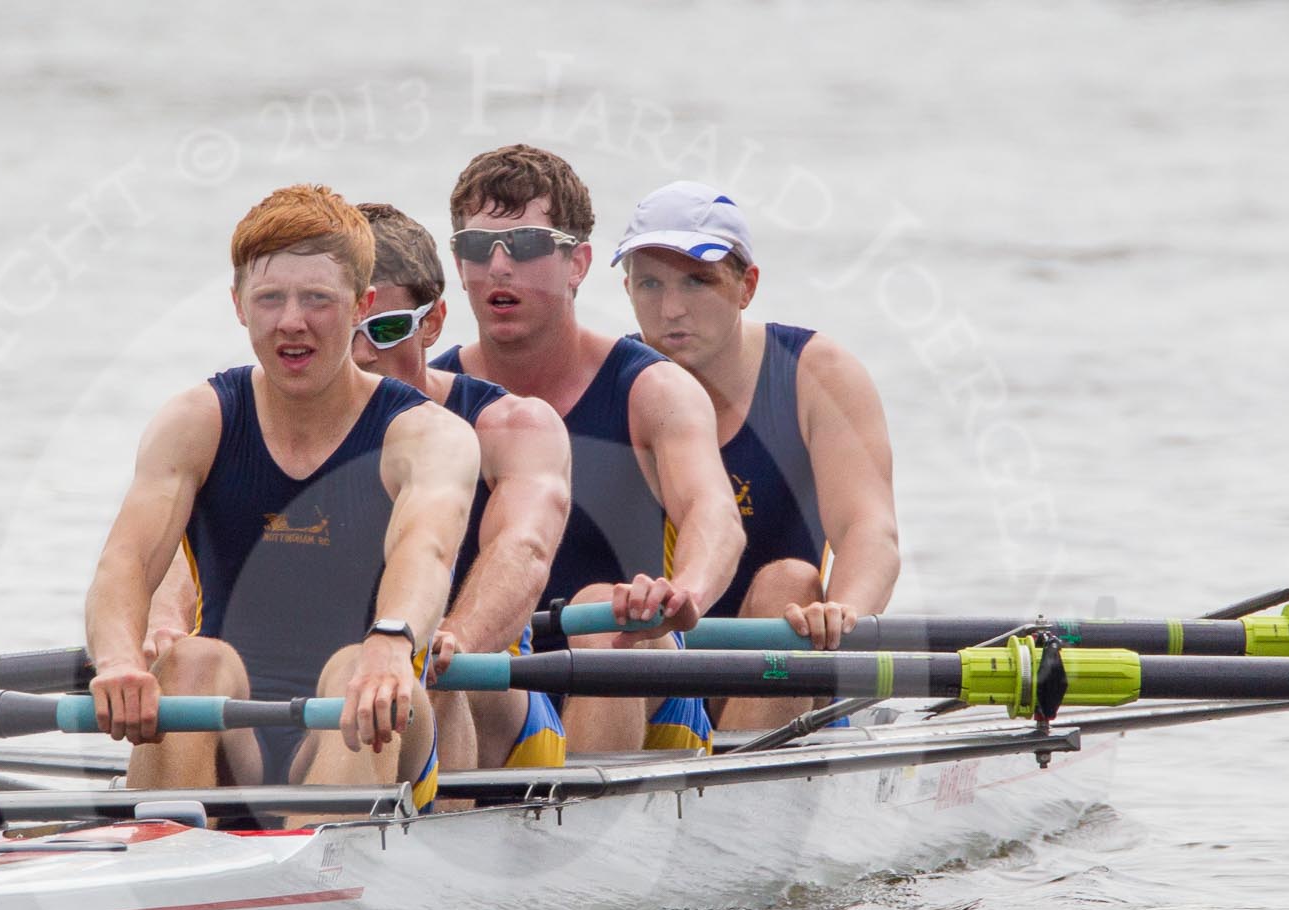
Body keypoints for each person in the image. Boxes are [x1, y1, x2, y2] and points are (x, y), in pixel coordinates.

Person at [83, 185, 479, 813]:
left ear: (360, 306)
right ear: (239, 306)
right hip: (230, 725)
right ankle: (162, 854)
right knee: (189, 662)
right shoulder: (197, 420)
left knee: (357, 672)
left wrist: (392, 642)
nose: (291, 321)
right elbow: (124, 564)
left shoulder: (428, 435)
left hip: (372, 709)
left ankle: (311, 878)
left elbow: (425, 549)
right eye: (270, 298)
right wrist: (119, 661)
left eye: (318, 299)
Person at [429, 145, 744, 754]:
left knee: (603, 608)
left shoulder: (652, 390)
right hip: (498, 682)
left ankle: (586, 829)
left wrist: (687, 594)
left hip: (633, 663)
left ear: (577, 264)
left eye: (523, 246)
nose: (497, 267)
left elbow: (715, 515)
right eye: (476, 247)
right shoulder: (429, 403)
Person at [615, 181, 899, 730]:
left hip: (785, 666)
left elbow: (872, 532)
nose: (671, 309)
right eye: (650, 284)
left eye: (698, 282)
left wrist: (843, 612)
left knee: (789, 583)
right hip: (652, 671)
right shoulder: (612, 381)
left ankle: (740, 773)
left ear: (746, 286)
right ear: (626, 288)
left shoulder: (817, 374)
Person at [348, 202, 572, 772]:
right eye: (343, 331)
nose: (361, 355)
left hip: (486, 696)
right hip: (354, 681)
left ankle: (439, 843)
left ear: (433, 322)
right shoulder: (277, 425)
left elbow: (524, 548)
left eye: (387, 329)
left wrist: (458, 634)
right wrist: (164, 627)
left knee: (426, 664)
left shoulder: (513, 425)